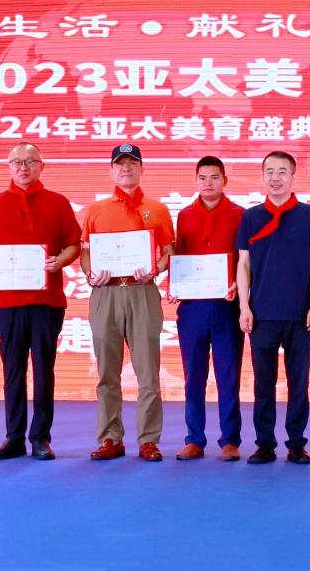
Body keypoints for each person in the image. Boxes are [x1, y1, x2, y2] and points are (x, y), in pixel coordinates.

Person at [0, 143, 80, 461]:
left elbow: (74, 244)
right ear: (8, 166)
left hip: (47, 300)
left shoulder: (58, 202)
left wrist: (60, 262)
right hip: (7, 301)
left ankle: (41, 437)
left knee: (44, 369)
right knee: (13, 370)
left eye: (31, 161)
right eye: (17, 162)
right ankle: (14, 437)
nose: (23, 167)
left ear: (42, 166)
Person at [82, 144, 175, 462]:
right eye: (120, 164)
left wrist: (156, 268)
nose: (126, 169)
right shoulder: (96, 209)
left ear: (142, 169)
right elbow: (85, 251)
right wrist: (90, 273)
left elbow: (168, 252)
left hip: (142, 291)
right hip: (105, 293)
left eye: (132, 163)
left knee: (148, 372)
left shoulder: (157, 209)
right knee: (107, 372)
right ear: (111, 170)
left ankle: (148, 440)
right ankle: (110, 437)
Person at [236, 151, 310, 464]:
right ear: (263, 176)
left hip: (301, 314)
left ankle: (296, 444)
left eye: (282, 172)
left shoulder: (309, 215)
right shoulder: (251, 217)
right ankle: (264, 444)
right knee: (263, 384)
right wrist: (244, 307)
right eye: (270, 172)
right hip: (262, 314)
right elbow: (243, 264)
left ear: (293, 177)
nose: (275, 178)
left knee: (298, 383)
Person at [170, 156, 245, 461]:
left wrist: (240, 284)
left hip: (228, 305)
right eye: (203, 178)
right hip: (192, 308)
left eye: (215, 177)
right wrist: (175, 285)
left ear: (224, 180)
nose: (209, 183)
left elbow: (245, 259)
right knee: (193, 376)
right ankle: (194, 439)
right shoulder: (185, 215)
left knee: (228, 375)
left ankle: (230, 440)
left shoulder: (240, 214)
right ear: (195, 180)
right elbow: (180, 256)